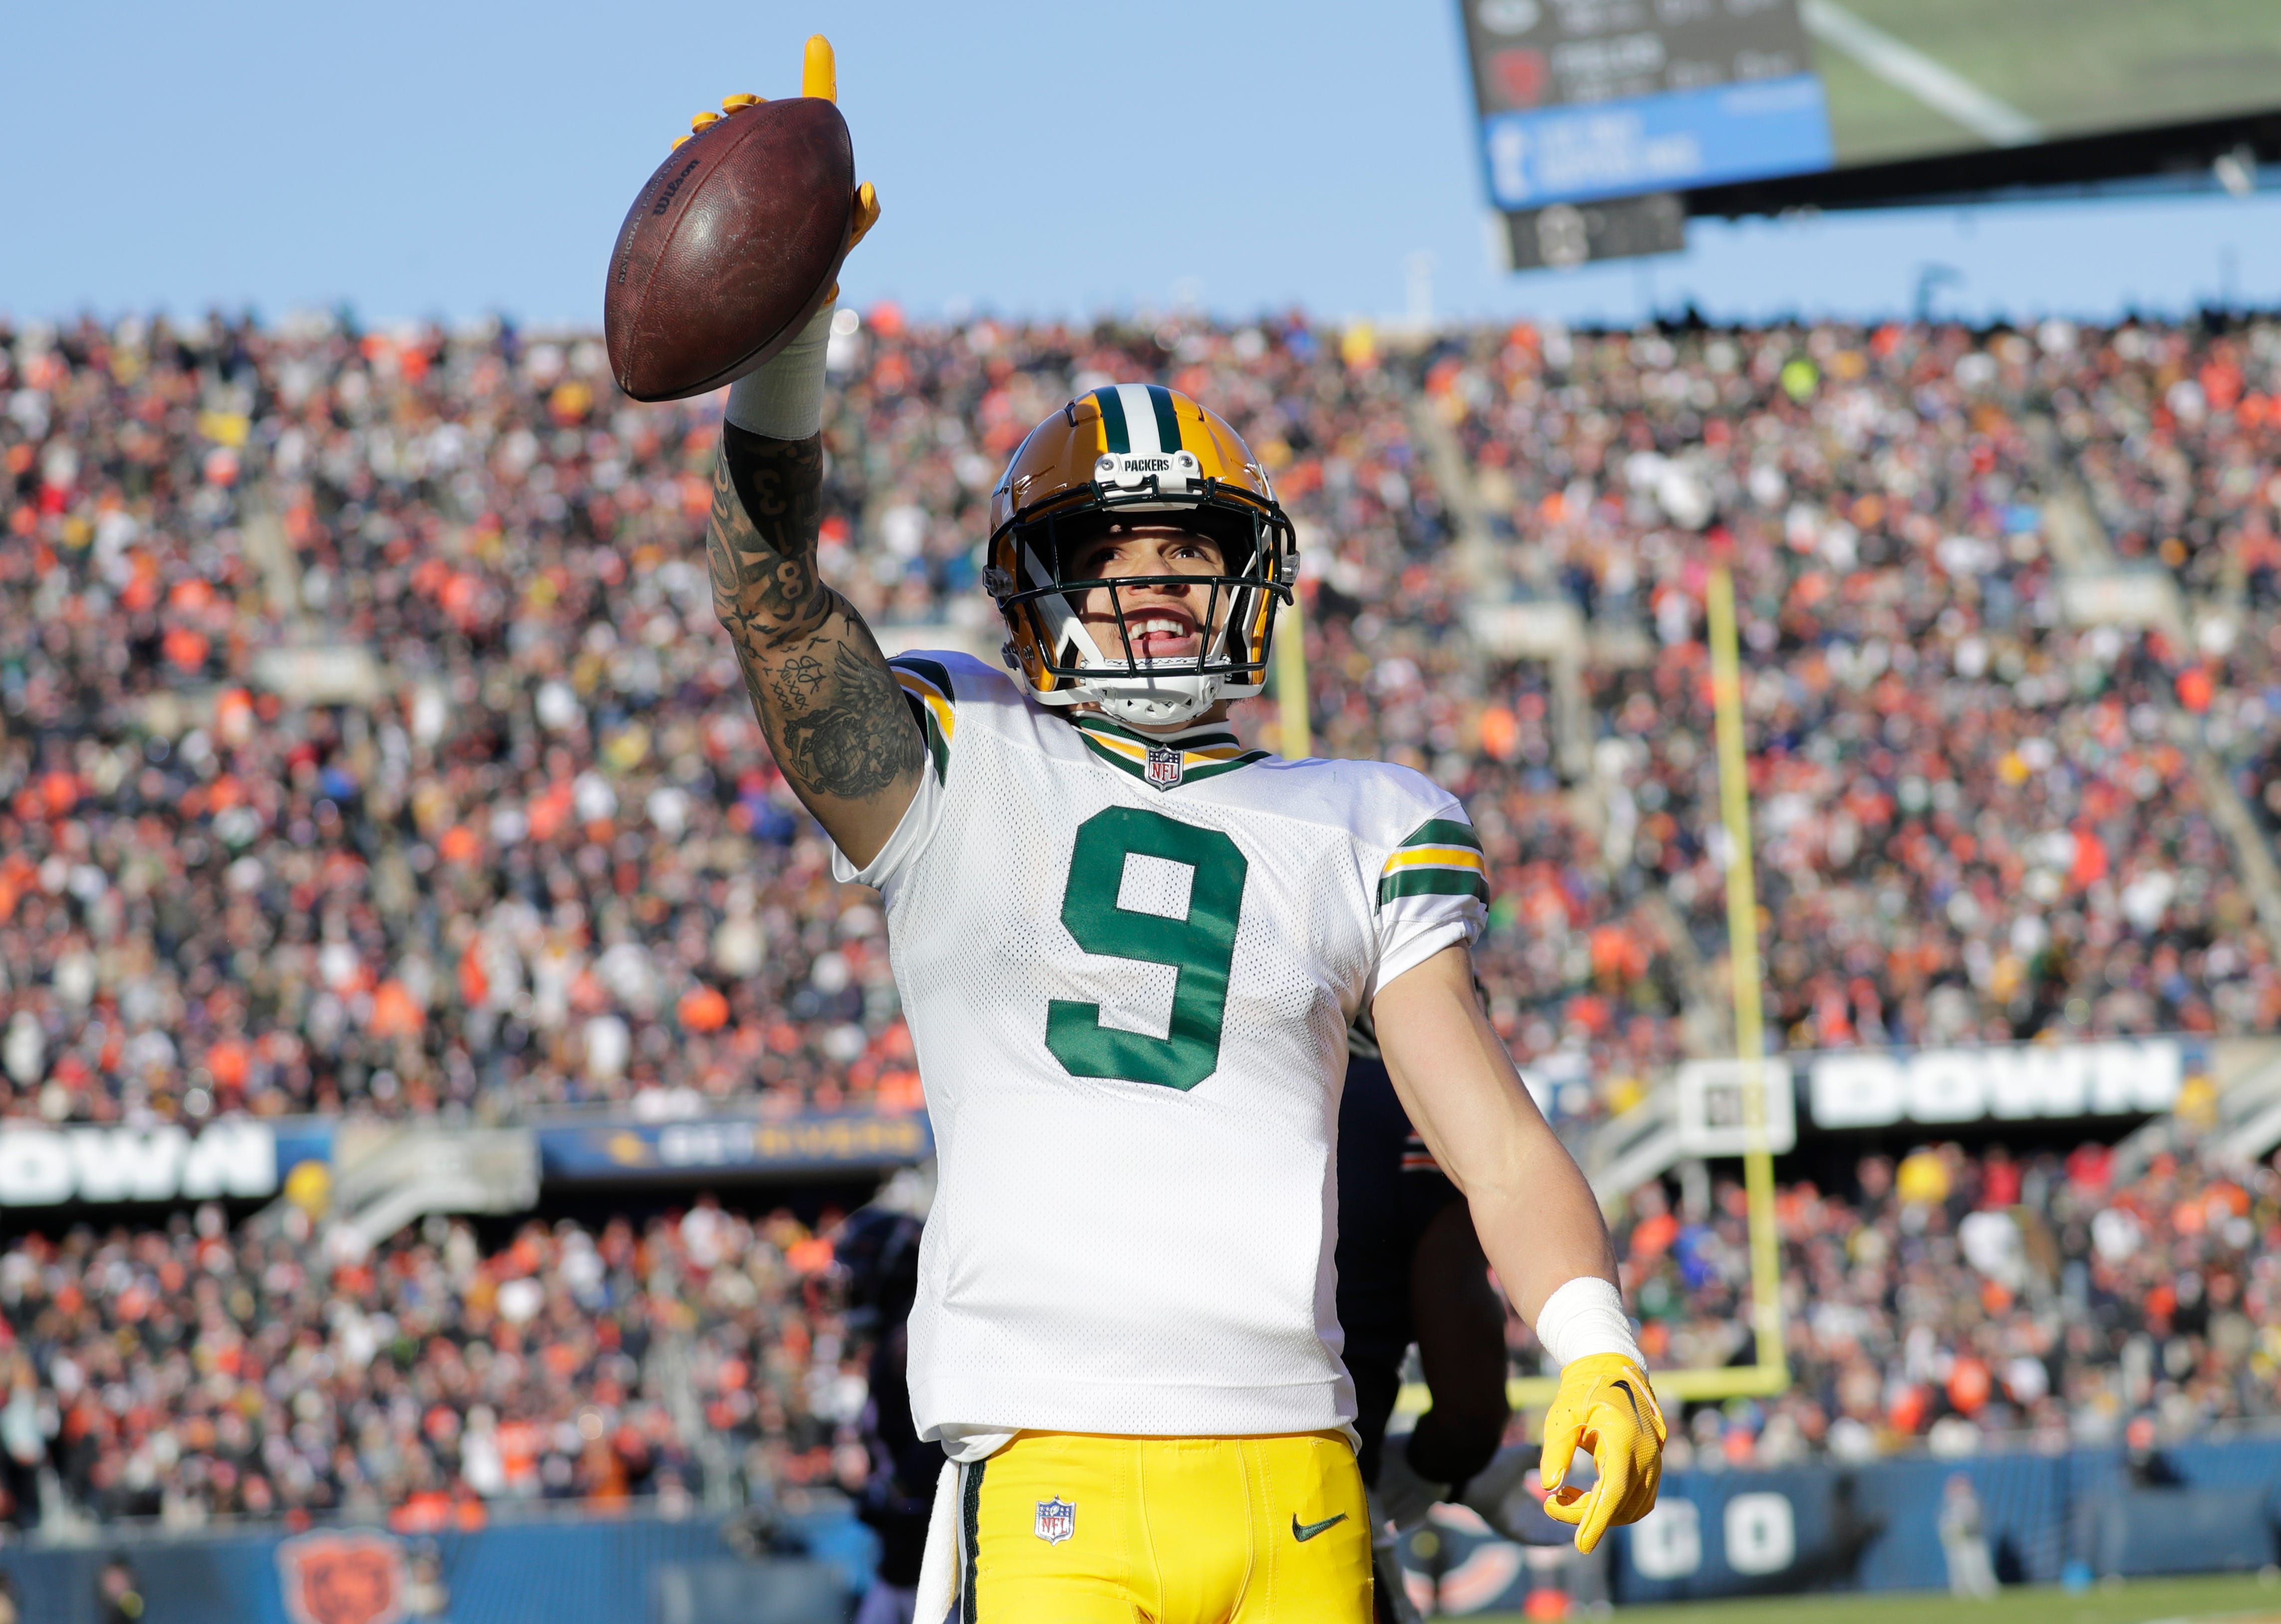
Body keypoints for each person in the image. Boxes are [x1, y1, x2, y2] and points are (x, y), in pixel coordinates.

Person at [691, 38, 1665, 1620]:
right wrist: (785, 344)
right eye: (1109, 556)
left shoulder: (1363, 817)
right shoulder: (956, 757)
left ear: (1250, 581)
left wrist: (1600, 1346)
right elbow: (773, 608)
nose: (1151, 589)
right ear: (1038, 587)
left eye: (1187, 555)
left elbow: (1487, 1135)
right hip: (1048, 1456)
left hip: (1295, 1469)